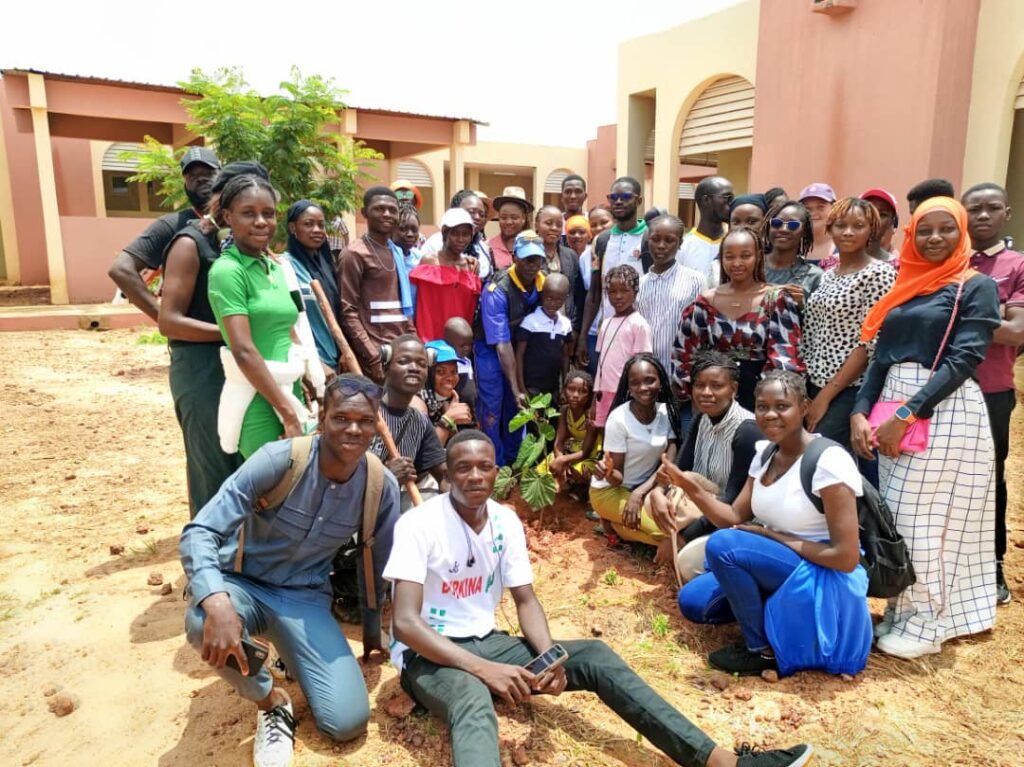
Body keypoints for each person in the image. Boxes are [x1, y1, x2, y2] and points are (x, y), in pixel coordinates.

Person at [385, 429, 814, 767]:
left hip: (487, 643)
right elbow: (406, 623)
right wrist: (485, 671)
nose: (474, 476)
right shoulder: (419, 524)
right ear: (447, 474)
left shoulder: (504, 521)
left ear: (498, 472)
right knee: (474, 700)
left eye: (484, 467)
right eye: (463, 468)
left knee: (591, 655)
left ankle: (720, 761)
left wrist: (548, 655)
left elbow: (527, 602)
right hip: (430, 654)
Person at [180, 375, 400, 767]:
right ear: (321, 416)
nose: (353, 429)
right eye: (341, 418)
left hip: (304, 598)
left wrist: (372, 631)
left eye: (365, 421)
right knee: (202, 621)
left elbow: (376, 564)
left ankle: (283, 648)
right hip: (242, 583)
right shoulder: (280, 460)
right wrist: (216, 599)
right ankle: (271, 702)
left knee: (347, 721)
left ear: (376, 423)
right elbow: (202, 530)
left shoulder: (380, 485)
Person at [850, 196, 1001, 659]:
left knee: (929, 519)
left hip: (943, 410)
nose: (935, 238)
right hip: (893, 404)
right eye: (926, 230)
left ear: (962, 234)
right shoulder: (906, 284)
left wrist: (904, 415)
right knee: (898, 515)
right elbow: (880, 357)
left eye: (946, 229)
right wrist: (860, 410)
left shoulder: (974, 287)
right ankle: (903, 610)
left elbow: (964, 359)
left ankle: (929, 621)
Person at [665, 371, 871, 678]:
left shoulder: (829, 461)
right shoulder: (765, 454)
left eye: (782, 406)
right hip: (780, 563)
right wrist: (688, 485)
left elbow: (845, 558)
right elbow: (733, 517)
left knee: (724, 546)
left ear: (804, 407)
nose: (770, 414)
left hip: (822, 572)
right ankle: (774, 611)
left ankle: (761, 650)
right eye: (762, 406)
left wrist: (771, 536)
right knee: (694, 602)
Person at [158, 162, 248, 515]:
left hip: (237, 364)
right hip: (201, 369)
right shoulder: (190, 243)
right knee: (212, 468)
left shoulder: (240, 248)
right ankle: (206, 557)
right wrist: (232, 335)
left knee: (241, 464)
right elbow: (170, 321)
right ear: (224, 204)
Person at [207, 174, 316, 459]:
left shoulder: (275, 268)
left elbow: (288, 331)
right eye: (248, 213)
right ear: (228, 217)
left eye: (268, 214)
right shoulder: (227, 271)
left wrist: (303, 379)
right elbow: (243, 350)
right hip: (258, 400)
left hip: (289, 391)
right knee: (271, 493)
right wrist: (287, 413)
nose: (261, 222)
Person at [647, 351, 761, 580]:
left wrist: (681, 539)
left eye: (716, 386)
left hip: (734, 522)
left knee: (687, 562)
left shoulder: (747, 432)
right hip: (703, 505)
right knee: (653, 506)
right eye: (699, 385)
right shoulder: (701, 420)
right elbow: (678, 470)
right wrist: (658, 492)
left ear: (734, 389)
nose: (706, 393)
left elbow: (732, 509)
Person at [962, 182, 1024, 604]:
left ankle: (992, 567)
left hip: (991, 391)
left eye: (992, 208)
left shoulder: (1016, 265)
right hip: (939, 389)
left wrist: (963, 319)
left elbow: (1017, 331)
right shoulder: (947, 260)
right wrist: (992, 318)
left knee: (988, 481)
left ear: (1006, 214)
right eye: (974, 209)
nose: (982, 216)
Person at [803, 198, 896, 462]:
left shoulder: (879, 274)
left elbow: (869, 345)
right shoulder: (828, 274)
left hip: (848, 389)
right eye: (841, 225)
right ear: (829, 228)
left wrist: (825, 397)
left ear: (871, 231)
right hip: (813, 384)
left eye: (858, 225)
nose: (848, 232)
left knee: (820, 459)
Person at [673, 228, 805, 412]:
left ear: (758, 256)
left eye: (745, 255)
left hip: (762, 401)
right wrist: (696, 395)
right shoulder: (705, 303)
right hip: (713, 398)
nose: (737, 263)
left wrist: (768, 402)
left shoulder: (776, 300)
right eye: (729, 256)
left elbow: (785, 358)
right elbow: (684, 355)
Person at [108, 146, 220, 320]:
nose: (201, 179)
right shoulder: (171, 225)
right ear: (185, 184)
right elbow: (120, 269)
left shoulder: (239, 219)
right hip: (198, 342)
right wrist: (163, 317)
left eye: (209, 173)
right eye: (192, 176)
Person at [475, 233, 546, 464]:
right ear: (514, 257)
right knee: (493, 407)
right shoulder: (497, 290)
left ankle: (514, 461)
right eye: (526, 259)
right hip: (491, 350)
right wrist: (516, 388)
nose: (531, 266)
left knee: (516, 411)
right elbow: (501, 344)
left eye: (536, 260)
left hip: (519, 351)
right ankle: (493, 463)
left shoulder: (542, 283)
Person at [338, 187, 416, 383]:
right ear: (365, 213)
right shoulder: (354, 254)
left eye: (392, 209)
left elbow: (403, 305)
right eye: (379, 209)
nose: (387, 214)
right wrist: (372, 357)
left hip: (400, 354)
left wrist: (414, 342)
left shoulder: (396, 252)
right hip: (375, 356)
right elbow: (348, 311)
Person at [637, 214, 705, 433]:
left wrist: (690, 378)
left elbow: (701, 332)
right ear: (648, 241)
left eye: (670, 240)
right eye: (656, 239)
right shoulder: (638, 285)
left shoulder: (695, 280)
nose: (661, 246)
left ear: (680, 244)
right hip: (646, 385)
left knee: (681, 441)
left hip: (681, 384)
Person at [575, 177, 650, 369]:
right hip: (606, 331)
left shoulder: (649, 237)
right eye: (613, 197)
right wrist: (583, 337)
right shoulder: (602, 240)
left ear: (639, 201)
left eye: (625, 197)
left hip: (638, 334)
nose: (618, 201)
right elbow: (594, 293)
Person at [369, 334, 448, 510]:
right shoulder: (364, 413)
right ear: (386, 367)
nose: (414, 368)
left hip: (386, 509)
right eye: (404, 361)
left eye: (421, 364)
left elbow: (444, 476)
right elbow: (341, 476)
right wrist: (386, 476)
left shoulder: (419, 422)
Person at [410, 208, 482, 343]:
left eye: (465, 234)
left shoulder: (471, 267)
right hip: (430, 341)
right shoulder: (429, 262)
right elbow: (418, 304)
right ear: (444, 233)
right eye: (455, 233)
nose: (461, 239)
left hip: (459, 345)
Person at [593, 265, 653, 428]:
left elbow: (642, 366)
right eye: (612, 292)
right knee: (604, 434)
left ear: (635, 292)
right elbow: (601, 364)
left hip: (625, 393)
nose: (618, 296)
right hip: (603, 393)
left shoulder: (639, 324)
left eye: (624, 291)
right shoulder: (605, 323)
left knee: (622, 433)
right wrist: (595, 395)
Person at [284, 200, 340, 372]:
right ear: (293, 227)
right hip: (307, 363)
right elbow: (286, 323)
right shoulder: (285, 266)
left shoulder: (327, 266)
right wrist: (314, 363)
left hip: (334, 359)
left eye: (321, 225)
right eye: (308, 224)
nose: (317, 230)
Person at [515, 272, 573, 404]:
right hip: (532, 387)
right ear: (542, 295)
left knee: (551, 421)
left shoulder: (565, 324)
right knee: (534, 422)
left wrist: (564, 385)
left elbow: (565, 356)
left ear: (565, 298)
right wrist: (522, 388)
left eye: (558, 300)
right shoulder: (530, 322)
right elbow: (519, 356)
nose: (553, 303)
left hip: (553, 388)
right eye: (549, 298)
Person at [544, 369, 601, 500]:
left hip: (590, 454)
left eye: (582, 391)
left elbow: (586, 452)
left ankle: (584, 489)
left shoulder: (591, 416)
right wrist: (560, 459)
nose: (575, 395)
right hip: (573, 450)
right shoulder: (564, 411)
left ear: (590, 396)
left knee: (581, 471)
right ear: (564, 390)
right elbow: (558, 442)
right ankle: (569, 484)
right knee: (546, 467)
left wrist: (563, 460)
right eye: (571, 389)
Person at [759, 200, 823, 308]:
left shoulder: (814, 276)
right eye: (777, 223)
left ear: (804, 231)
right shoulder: (752, 266)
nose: (783, 229)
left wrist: (802, 306)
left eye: (793, 225)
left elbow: (818, 320)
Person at [422, 190, 493, 280]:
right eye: (472, 212)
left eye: (482, 214)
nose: (477, 217)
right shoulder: (434, 244)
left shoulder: (483, 248)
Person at [419, 339, 475, 446]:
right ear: (427, 374)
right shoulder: (417, 403)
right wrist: (448, 420)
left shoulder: (442, 401)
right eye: (441, 371)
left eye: (454, 372)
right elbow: (429, 455)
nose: (450, 378)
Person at [678, 176, 733, 275]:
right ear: (706, 200)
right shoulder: (683, 246)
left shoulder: (734, 244)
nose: (732, 203)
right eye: (727, 198)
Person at [534, 205, 579, 321]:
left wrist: (574, 326)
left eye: (559, 225)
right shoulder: (529, 256)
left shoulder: (570, 256)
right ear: (536, 225)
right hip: (536, 326)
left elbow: (576, 293)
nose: (554, 228)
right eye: (548, 223)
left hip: (565, 326)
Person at [488, 186, 533, 271]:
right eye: (504, 217)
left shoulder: (533, 245)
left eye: (514, 217)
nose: (508, 222)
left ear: (523, 218)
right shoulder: (487, 247)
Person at [798, 183, 837, 266]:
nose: (813, 213)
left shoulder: (844, 246)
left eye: (820, 207)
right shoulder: (791, 246)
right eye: (807, 208)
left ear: (834, 209)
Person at [444, 316, 477, 414]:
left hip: (470, 412)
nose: (467, 348)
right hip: (456, 413)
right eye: (463, 345)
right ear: (448, 343)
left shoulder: (467, 361)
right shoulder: (449, 366)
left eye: (470, 344)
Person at [861, 188, 900, 264]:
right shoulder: (837, 263)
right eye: (868, 212)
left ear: (894, 224)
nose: (874, 219)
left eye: (882, 214)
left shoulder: (900, 268)